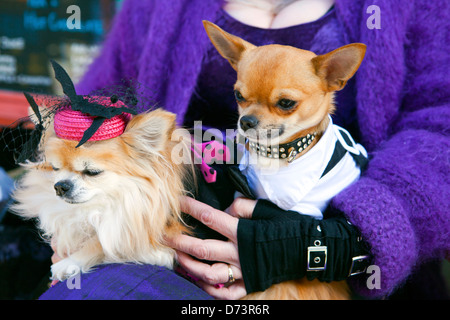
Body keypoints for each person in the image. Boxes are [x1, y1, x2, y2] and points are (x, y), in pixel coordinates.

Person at [42, 0, 449, 300]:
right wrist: (83, 217)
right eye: (242, 100)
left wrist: (342, 243)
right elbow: (95, 111)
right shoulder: (155, 7)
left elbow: (440, 126)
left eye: (284, 102)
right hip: (169, 251)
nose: (252, 118)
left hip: (344, 277)